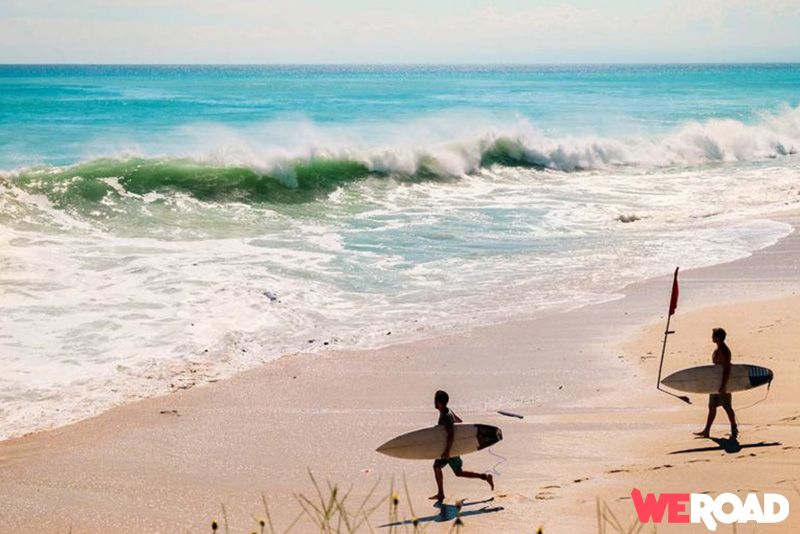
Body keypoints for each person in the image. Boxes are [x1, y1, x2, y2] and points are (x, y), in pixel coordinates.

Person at [430, 390, 494, 503]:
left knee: (449, 470)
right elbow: (460, 422)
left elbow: (451, 434)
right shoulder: (448, 411)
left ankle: (441, 494)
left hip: (449, 449)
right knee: (450, 470)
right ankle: (485, 477)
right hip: (450, 448)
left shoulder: (445, 416)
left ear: (439, 402)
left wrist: (447, 451)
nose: (433, 402)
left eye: (435, 400)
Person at [694, 328, 738, 439]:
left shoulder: (724, 350)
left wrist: (723, 385)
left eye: (713, 335)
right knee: (712, 407)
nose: (711, 337)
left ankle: (734, 428)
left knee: (727, 407)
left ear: (717, 337)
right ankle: (707, 431)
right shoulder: (719, 348)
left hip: (722, 384)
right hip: (715, 384)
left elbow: (727, 369)